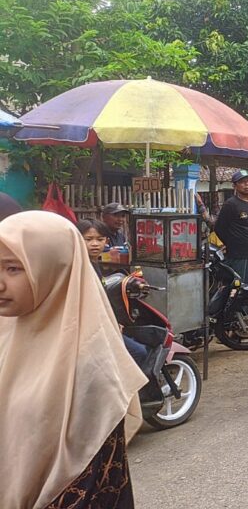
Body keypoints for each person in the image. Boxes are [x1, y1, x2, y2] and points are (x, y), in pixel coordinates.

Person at [0, 211, 149, 509]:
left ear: (53, 268)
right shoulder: (7, 332)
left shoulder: (90, 366)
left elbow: (92, 481)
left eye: (13, 269)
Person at [76, 218, 149, 363]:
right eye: (88, 239)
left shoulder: (94, 263)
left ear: (106, 241)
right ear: (77, 239)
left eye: (99, 239)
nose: (94, 244)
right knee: (139, 352)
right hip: (89, 329)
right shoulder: (80, 266)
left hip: (99, 325)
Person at [213, 171, 248, 289]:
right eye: (242, 182)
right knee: (240, 290)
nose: (247, 185)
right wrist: (232, 243)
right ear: (235, 186)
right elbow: (219, 228)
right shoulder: (231, 204)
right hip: (239, 257)